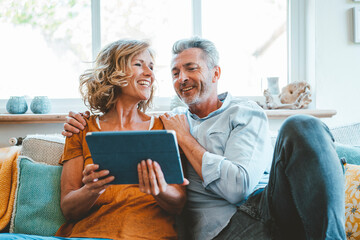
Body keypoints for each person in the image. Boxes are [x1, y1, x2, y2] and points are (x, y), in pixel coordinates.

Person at [63, 37, 346, 240]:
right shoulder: (169, 122)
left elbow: (238, 188)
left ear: (216, 72)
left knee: (302, 125)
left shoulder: (234, 115)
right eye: (175, 73)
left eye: (191, 68)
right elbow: (69, 204)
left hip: (265, 206)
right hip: (224, 230)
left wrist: (184, 140)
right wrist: (81, 127)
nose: (180, 78)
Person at [53, 39, 187, 240]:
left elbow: (179, 203)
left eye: (151, 67)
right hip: (88, 235)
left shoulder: (164, 127)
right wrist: (92, 189)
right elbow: (69, 209)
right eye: (138, 64)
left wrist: (160, 189)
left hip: (149, 234)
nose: (150, 74)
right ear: (113, 72)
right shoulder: (81, 128)